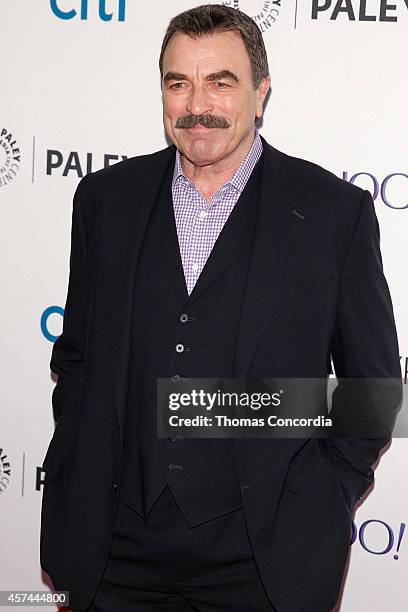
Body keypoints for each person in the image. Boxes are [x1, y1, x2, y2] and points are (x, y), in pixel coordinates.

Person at [40, 4, 401, 611]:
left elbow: (374, 384)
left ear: (260, 94)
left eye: (220, 82)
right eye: (177, 82)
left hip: (263, 560)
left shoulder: (333, 213)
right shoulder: (106, 201)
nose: (195, 103)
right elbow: (75, 361)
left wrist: (323, 491)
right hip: (115, 551)